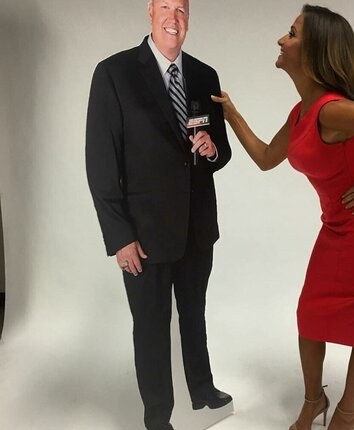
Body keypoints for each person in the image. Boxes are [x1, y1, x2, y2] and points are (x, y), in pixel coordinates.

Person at [212, 4, 354, 430]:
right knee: (309, 317)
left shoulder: (332, 110)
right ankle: (315, 401)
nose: (281, 39)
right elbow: (265, 158)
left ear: (315, 52)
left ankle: (348, 412)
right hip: (335, 228)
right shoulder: (301, 113)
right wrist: (231, 114)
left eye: (291, 33)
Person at [85, 1, 232, 429]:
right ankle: (157, 416)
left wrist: (212, 149)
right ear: (149, 12)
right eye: (165, 7)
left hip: (197, 228)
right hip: (143, 235)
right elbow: (100, 163)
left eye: (181, 9)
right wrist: (119, 236)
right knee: (150, 328)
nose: (174, 18)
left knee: (194, 315)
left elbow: (221, 150)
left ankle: (202, 390)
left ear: (189, 18)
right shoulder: (113, 74)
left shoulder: (204, 75)